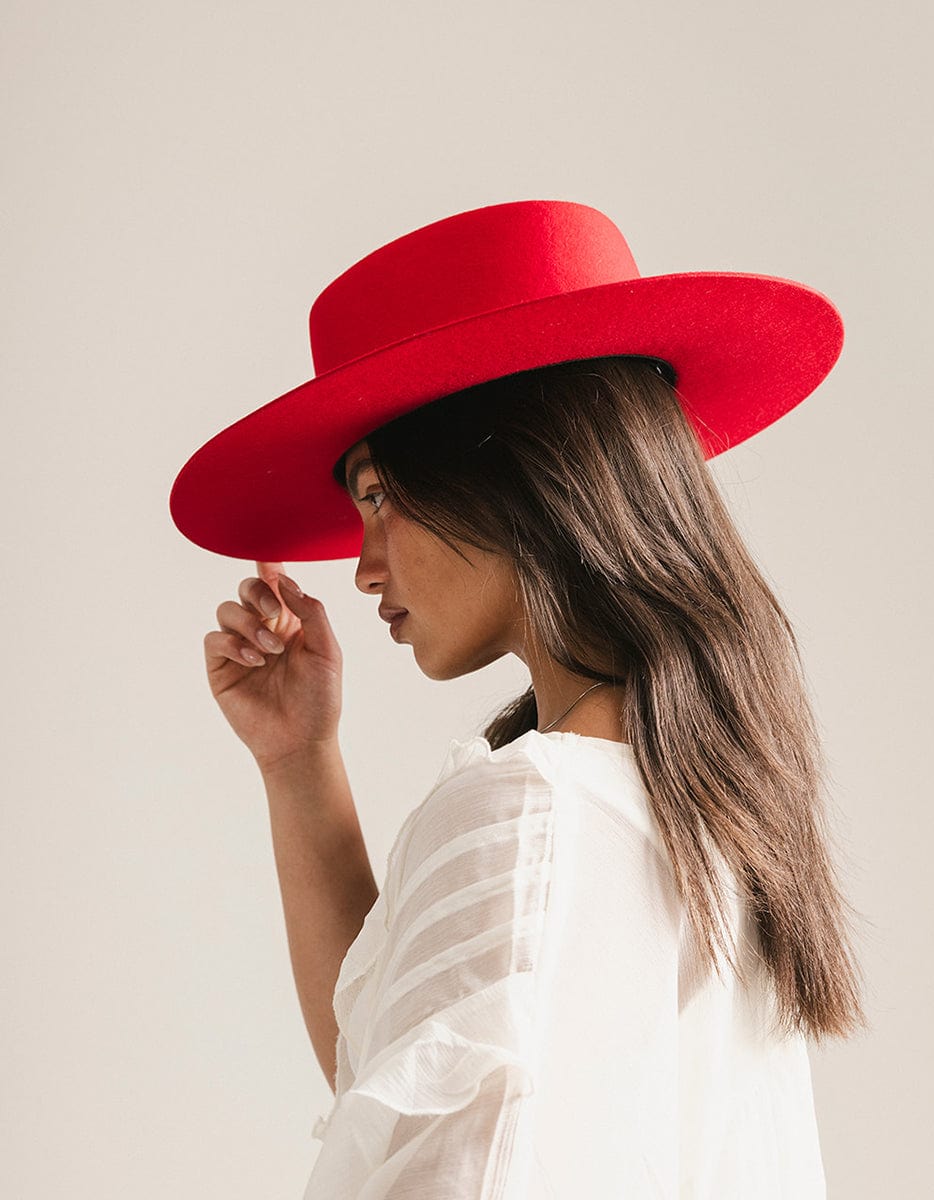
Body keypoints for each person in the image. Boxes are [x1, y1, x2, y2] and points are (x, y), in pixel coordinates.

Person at [170, 200, 867, 1198]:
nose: (363, 569)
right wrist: (298, 758)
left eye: (375, 496)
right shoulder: (717, 821)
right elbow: (399, 1058)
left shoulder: (531, 809)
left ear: (511, 468)